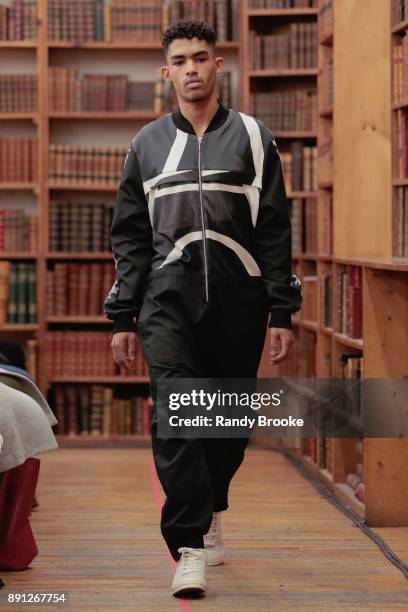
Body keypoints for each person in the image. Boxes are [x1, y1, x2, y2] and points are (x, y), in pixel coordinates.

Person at [103, 18, 302, 598]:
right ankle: (187, 545)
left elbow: (275, 231)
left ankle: (213, 501)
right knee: (178, 418)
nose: (191, 68)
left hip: (239, 303)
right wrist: (124, 317)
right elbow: (130, 237)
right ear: (165, 73)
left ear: (219, 65)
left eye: (201, 57)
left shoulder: (254, 137)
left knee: (228, 423)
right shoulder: (145, 145)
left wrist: (281, 312)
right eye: (180, 60)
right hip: (167, 302)